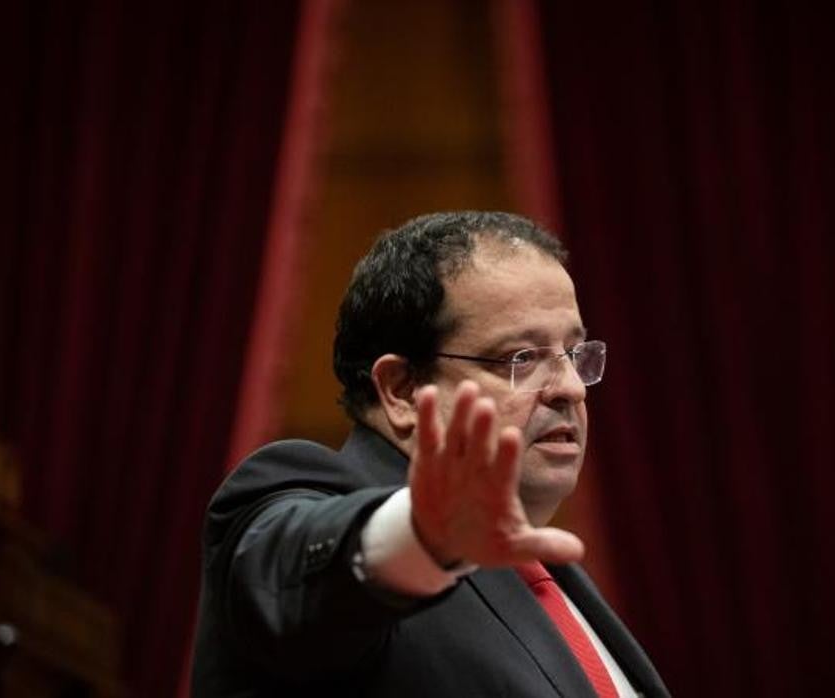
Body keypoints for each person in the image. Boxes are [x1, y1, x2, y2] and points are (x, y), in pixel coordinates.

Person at [191, 211, 669, 696]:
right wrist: (417, 537)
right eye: (521, 358)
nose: (570, 387)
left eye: (574, 353)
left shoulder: (547, 571)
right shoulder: (303, 500)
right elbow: (289, 574)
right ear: (402, 390)